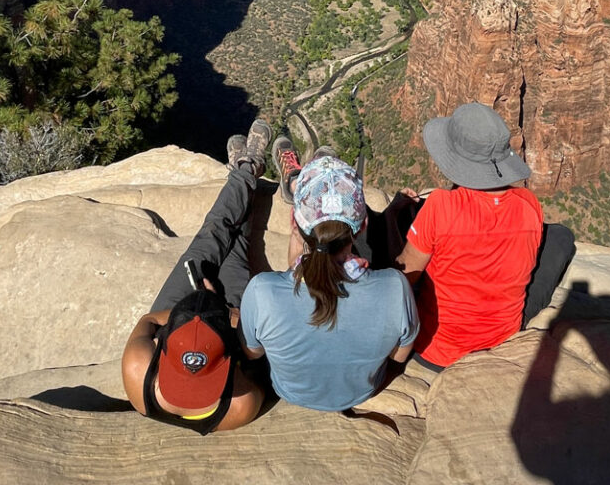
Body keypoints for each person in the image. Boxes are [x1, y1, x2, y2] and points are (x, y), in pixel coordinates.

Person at [396, 102, 575, 371]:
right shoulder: (529, 203)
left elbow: (404, 275)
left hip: (436, 349)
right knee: (560, 237)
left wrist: (394, 218)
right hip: (501, 339)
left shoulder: (440, 206)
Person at [239, 146, 419, 413]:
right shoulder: (395, 287)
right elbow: (399, 355)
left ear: (294, 221)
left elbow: (253, 353)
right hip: (361, 391)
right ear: (363, 226)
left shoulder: (262, 292)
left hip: (290, 391)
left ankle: (291, 182)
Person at [121, 121, 270, 433]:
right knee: (237, 250)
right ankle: (245, 170)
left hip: (177, 310)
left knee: (212, 235)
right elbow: (257, 351)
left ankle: (244, 170)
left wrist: (186, 314)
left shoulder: (139, 375)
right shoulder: (240, 404)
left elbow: (149, 320)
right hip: (227, 317)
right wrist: (220, 310)